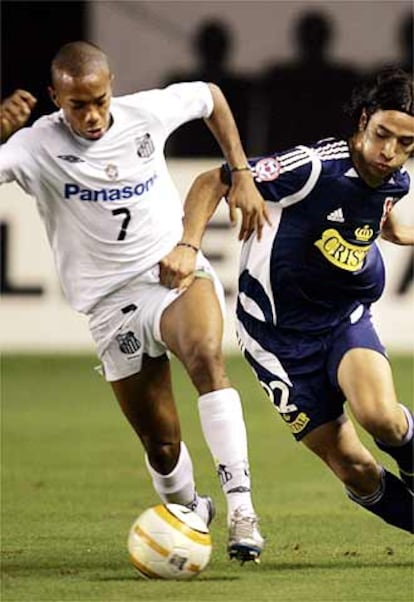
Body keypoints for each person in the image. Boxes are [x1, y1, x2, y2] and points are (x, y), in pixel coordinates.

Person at [0, 40, 270, 562]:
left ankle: (242, 510)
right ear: (56, 97)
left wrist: (241, 170)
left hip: (171, 273)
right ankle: (192, 510)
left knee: (205, 356)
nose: (94, 114)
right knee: (162, 446)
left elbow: (211, 96)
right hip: (108, 304)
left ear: (111, 87)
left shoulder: (143, 114)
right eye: (78, 104)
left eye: (100, 99)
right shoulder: (33, 147)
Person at [162, 68, 414, 534]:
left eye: (405, 144)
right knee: (353, 466)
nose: (390, 152)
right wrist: (188, 246)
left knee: (383, 418)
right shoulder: (314, 167)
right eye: (383, 135)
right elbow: (210, 182)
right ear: (363, 120)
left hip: (343, 319)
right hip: (276, 341)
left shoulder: (394, 180)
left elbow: (387, 223)